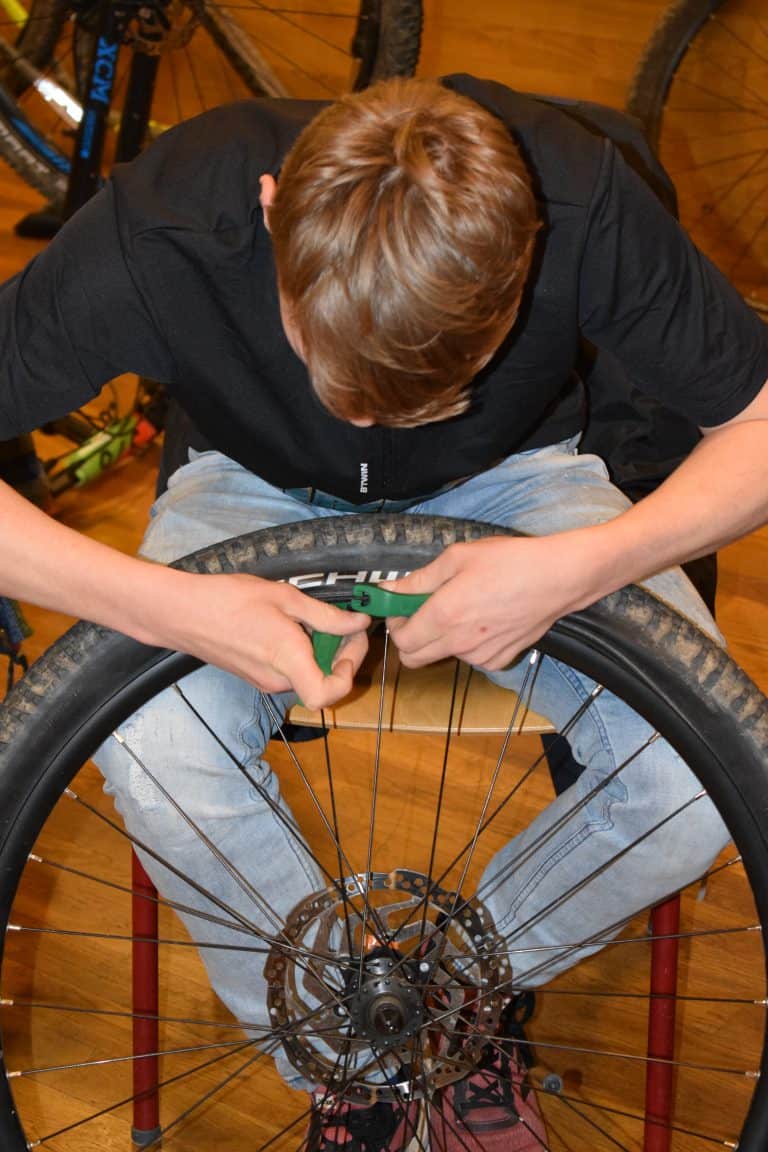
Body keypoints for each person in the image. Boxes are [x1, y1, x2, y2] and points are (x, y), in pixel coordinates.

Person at [1, 74, 767, 1151]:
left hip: (512, 479)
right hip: (246, 484)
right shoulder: (167, 221)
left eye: (428, 385)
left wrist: (585, 565)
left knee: (697, 773)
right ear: (273, 211)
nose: (364, 417)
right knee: (155, 739)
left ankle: (447, 1005)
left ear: (528, 257)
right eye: (327, 364)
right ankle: (362, 1057)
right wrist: (174, 608)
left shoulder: (582, 197)